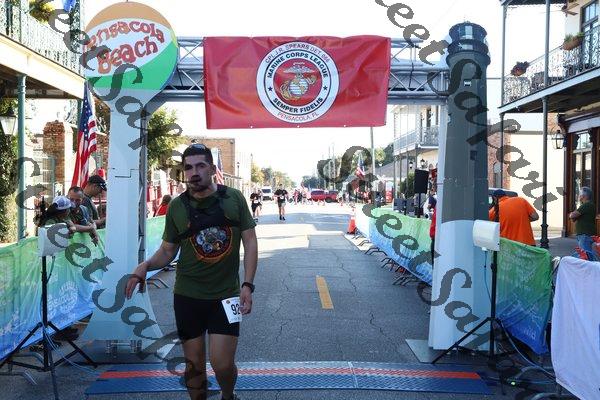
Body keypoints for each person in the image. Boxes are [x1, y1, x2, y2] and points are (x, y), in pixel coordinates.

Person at [125, 144, 257, 400]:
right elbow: (167, 251)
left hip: (226, 296)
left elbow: (250, 241)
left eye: (200, 166)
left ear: (212, 169)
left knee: (222, 364)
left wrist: (248, 285)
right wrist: (145, 266)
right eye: (188, 168)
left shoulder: (234, 199)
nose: (194, 172)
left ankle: (228, 395)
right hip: (188, 297)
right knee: (194, 367)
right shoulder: (177, 207)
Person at [568, 187, 597, 261]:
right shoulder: (585, 205)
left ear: (584, 196)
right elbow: (574, 218)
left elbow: (572, 216)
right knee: (586, 254)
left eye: (580, 194)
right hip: (584, 234)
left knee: (585, 255)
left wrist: (572, 214)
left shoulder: (587, 205)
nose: (579, 196)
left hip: (585, 234)